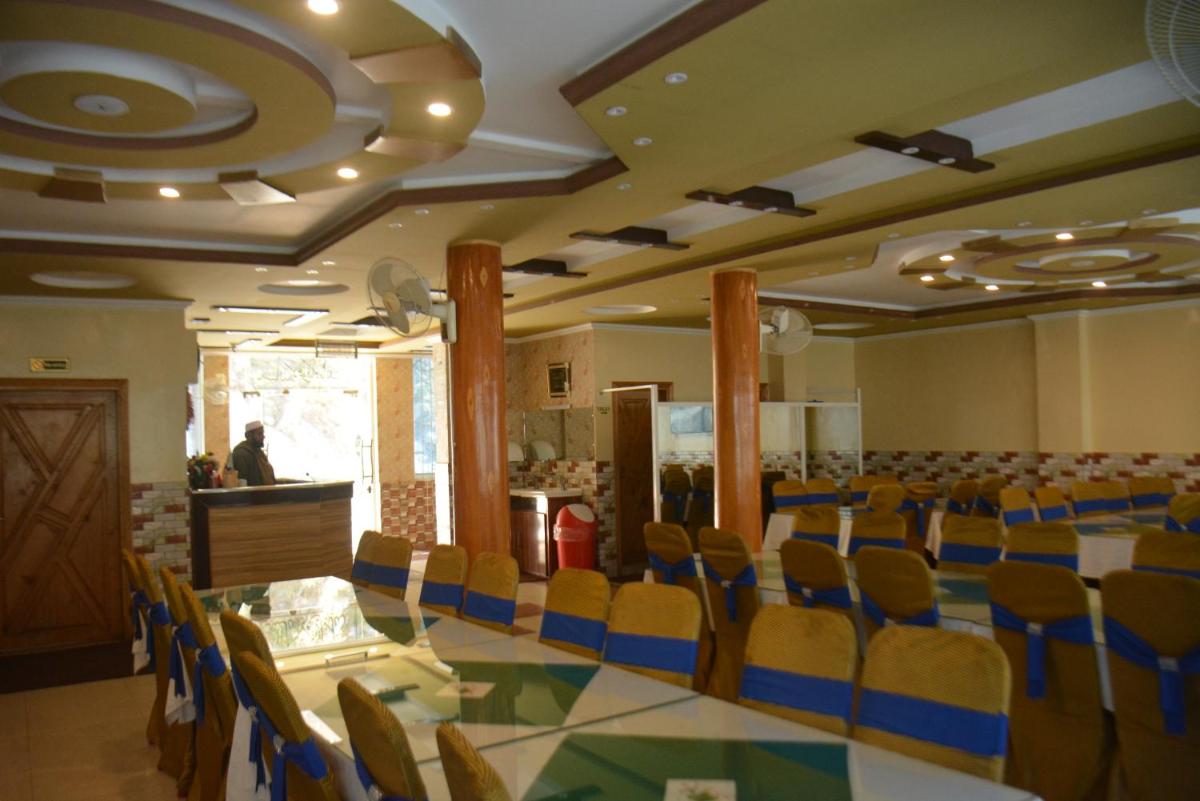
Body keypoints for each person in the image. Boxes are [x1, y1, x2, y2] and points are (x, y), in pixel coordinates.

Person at [230, 420, 276, 487]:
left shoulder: (259, 452)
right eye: (259, 433)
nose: (263, 436)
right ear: (248, 435)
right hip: (254, 493)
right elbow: (242, 483)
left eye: (262, 433)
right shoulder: (241, 454)